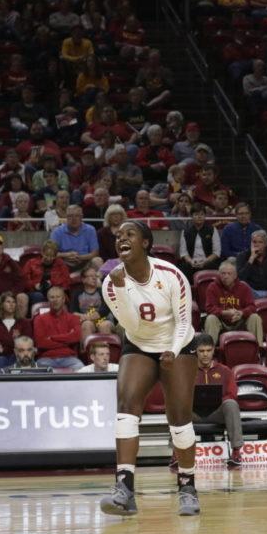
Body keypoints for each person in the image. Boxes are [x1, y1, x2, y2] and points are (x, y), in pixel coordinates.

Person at [100, 220, 201, 517]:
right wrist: (119, 290)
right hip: (139, 344)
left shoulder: (172, 275)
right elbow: (132, 325)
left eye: (129, 234)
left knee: (180, 417)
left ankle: (187, 486)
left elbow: (184, 321)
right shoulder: (111, 282)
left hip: (178, 343)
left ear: (145, 242)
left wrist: (172, 349)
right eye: (118, 236)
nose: (122, 239)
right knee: (127, 404)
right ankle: (124, 489)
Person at [189, 333, 243, 468]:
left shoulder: (225, 371)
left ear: (214, 350)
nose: (205, 354)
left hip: (217, 413)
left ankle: (236, 452)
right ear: (196, 351)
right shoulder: (187, 371)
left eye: (208, 350)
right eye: (201, 351)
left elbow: (232, 394)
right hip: (193, 413)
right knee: (176, 406)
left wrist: (218, 400)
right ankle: (176, 454)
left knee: (231, 404)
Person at [204, 261, 264, 346]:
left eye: (229, 274)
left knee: (255, 317)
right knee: (211, 318)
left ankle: (258, 350)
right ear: (219, 275)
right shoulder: (212, 287)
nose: (226, 276)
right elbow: (209, 308)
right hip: (221, 321)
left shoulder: (244, 287)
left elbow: (252, 307)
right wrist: (224, 313)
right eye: (223, 273)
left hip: (240, 320)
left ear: (235, 275)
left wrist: (241, 313)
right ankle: (209, 351)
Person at [33, 286, 84, 371]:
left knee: (81, 369)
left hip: (69, 358)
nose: (55, 300)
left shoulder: (73, 318)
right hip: (46, 358)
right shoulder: (39, 319)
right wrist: (67, 339)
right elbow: (41, 343)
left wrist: (53, 338)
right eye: (52, 297)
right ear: (48, 300)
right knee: (37, 371)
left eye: (58, 297)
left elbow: (76, 337)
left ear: (63, 299)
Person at [0, 291, 34, 371]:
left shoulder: (24, 322)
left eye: (14, 302)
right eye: (8, 302)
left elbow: (28, 342)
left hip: (18, 355)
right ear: (2, 304)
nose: (11, 304)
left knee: (16, 358)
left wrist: (4, 348)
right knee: (1, 360)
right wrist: (15, 341)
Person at [178, 203, 221, 282]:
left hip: (208, 262)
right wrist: (191, 261)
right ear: (191, 216)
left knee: (216, 266)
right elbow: (183, 253)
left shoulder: (212, 230)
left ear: (205, 216)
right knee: (183, 269)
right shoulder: (185, 232)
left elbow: (216, 252)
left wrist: (205, 261)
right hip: (192, 262)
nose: (199, 216)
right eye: (196, 214)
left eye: (202, 214)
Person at [23, 239, 72, 307]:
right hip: (35, 291)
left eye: (52, 256)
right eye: (46, 255)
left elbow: (67, 281)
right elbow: (24, 280)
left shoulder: (61, 264)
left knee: (56, 296)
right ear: (42, 252)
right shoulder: (31, 263)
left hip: (55, 291)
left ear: (56, 255)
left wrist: (53, 283)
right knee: (38, 296)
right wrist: (34, 285)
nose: (49, 258)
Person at [51, 205, 100, 271]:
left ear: (81, 217)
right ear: (66, 217)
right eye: (70, 216)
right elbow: (51, 253)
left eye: (77, 216)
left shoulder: (90, 230)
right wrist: (66, 255)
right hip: (64, 262)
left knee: (97, 261)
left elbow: (95, 253)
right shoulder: (57, 231)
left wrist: (79, 257)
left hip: (85, 263)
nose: (73, 219)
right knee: (53, 261)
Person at [71, 265, 114, 341]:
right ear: (83, 279)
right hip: (87, 321)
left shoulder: (103, 291)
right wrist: (86, 318)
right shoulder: (77, 293)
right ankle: (87, 351)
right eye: (91, 276)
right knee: (87, 324)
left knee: (104, 325)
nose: (94, 278)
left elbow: (104, 310)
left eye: (95, 276)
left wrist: (86, 317)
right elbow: (73, 312)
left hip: (103, 319)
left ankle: (104, 351)